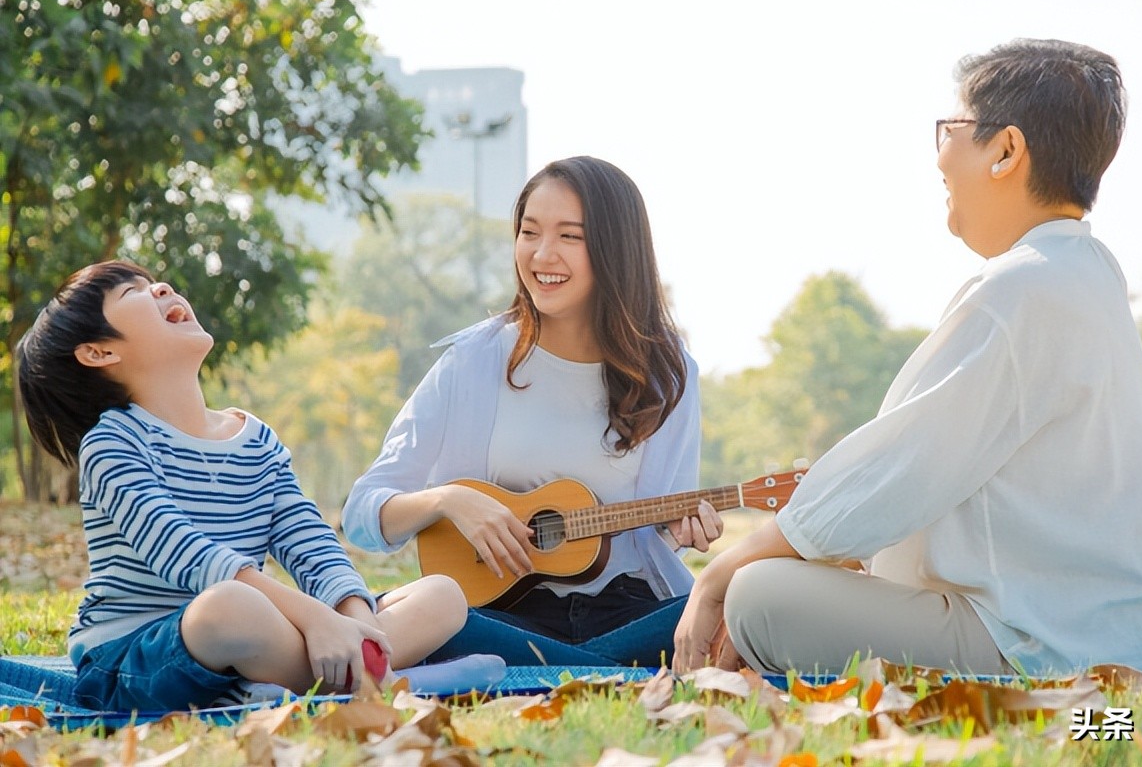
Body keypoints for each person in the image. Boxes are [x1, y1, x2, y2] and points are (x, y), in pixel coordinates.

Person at [673, 39, 1142, 679]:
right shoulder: (1087, 270)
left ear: (1005, 151)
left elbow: (900, 468)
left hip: (1039, 644)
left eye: (951, 128)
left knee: (759, 596)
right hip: (1103, 631)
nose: (940, 156)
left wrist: (724, 571)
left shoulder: (1020, 289)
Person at [15, 261, 467, 713]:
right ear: (99, 352)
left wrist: (355, 617)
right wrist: (314, 618)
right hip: (136, 657)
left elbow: (310, 543)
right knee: (229, 608)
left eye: (153, 283)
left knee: (442, 595)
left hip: (256, 636)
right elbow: (188, 554)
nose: (162, 288)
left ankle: (340, 665)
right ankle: (366, 674)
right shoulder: (112, 444)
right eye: (133, 292)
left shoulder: (256, 439)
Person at [343, 155, 723, 668]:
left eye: (570, 236)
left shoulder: (670, 373)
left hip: (626, 610)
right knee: (435, 615)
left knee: (735, 602)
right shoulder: (473, 362)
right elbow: (362, 514)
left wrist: (678, 531)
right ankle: (598, 670)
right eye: (529, 232)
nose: (543, 254)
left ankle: (549, 667)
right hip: (501, 615)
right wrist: (450, 500)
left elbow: (660, 534)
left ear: (616, 249)